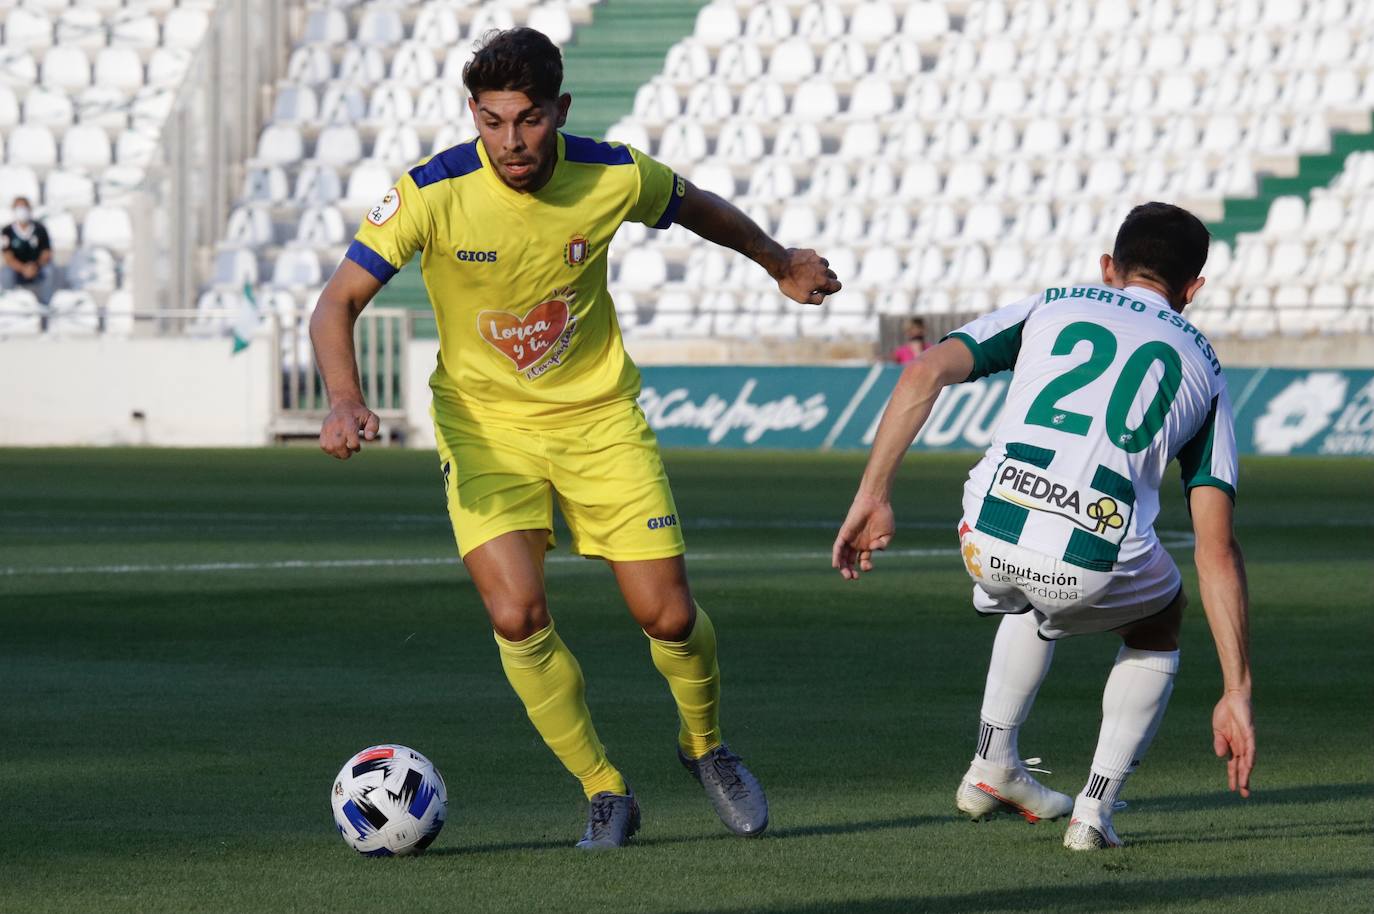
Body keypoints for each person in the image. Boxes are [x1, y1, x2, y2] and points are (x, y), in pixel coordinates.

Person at [310, 28, 841, 850]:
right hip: (485, 431)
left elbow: (695, 206)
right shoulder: (430, 191)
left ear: (559, 109)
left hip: (600, 423)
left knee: (665, 617)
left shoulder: (613, 173)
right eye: (490, 121)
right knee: (517, 614)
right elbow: (336, 302)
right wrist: (345, 399)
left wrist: (776, 259)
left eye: (526, 120)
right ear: (473, 116)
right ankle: (604, 789)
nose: (509, 141)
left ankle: (704, 747)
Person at [832, 203, 1254, 850]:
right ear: (1193, 289)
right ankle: (1094, 809)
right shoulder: (1205, 368)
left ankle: (992, 765)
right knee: (1159, 621)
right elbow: (1215, 549)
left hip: (986, 527)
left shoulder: (1054, 303)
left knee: (1027, 590)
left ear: (1109, 268)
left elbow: (923, 370)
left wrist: (873, 494)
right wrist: (1235, 689)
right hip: (1093, 553)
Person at [1, 197, 56, 305]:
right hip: (17, 270)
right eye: (18, 207)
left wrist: (34, 266)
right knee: (5, 272)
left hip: (37, 268)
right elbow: (8, 257)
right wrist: (23, 268)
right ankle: (8, 302)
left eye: (24, 207)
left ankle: (46, 303)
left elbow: (46, 253)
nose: (21, 211)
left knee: (49, 270)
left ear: (29, 209)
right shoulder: (7, 231)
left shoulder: (40, 229)